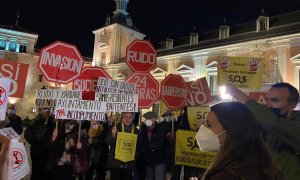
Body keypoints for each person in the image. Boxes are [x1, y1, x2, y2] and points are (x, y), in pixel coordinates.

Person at [226, 83, 300, 179]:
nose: (268, 104)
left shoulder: (294, 123)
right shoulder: (261, 121)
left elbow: (273, 123)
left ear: (292, 105)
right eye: (267, 99)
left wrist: (240, 95)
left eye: (274, 100)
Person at [196, 102, 282, 180]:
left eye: (209, 125)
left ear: (231, 131)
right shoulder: (265, 167)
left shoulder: (226, 176)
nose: (202, 127)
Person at [105, 112, 139, 180]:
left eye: (130, 117)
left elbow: (137, 148)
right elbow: (107, 142)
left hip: (128, 165)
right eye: (125, 117)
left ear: (132, 118)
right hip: (116, 164)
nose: (127, 119)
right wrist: (112, 135)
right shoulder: (115, 127)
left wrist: (134, 159)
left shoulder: (136, 130)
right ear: (122, 118)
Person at [24, 108, 55, 180]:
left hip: (36, 150)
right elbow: (28, 133)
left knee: (36, 171)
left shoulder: (37, 119)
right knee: (40, 172)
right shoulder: (48, 121)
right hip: (42, 151)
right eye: (46, 110)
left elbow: (28, 133)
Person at [138, 111, 168, 180]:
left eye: (150, 118)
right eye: (146, 118)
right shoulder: (143, 128)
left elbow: (158, 143)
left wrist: (147, 145)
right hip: (148, 160)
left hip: (159, 160)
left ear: (155, 119)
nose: (148, 120)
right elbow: (140, 143)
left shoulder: (160, 128)